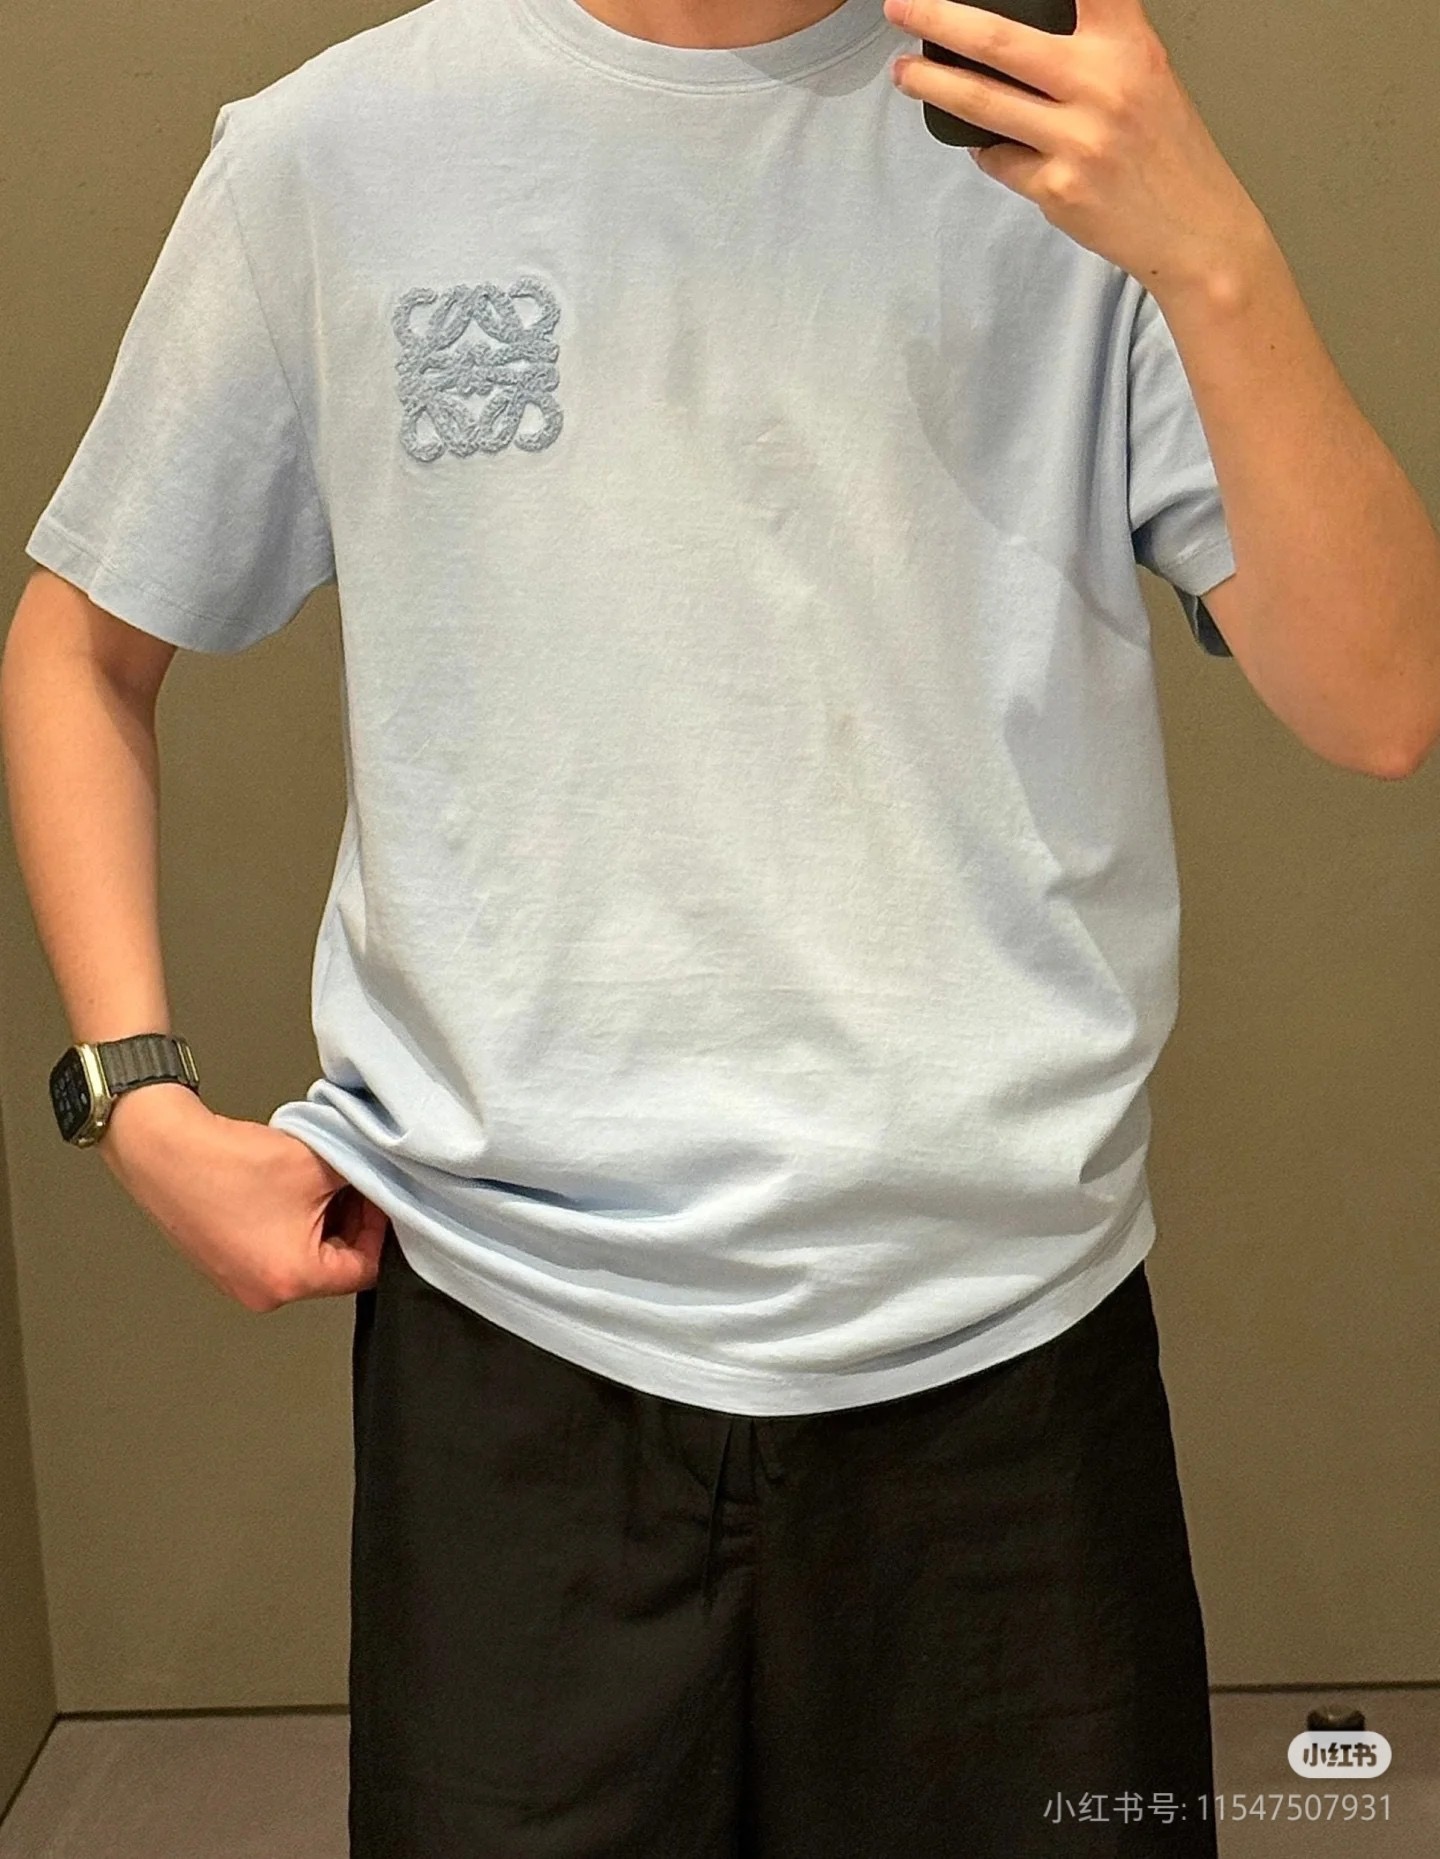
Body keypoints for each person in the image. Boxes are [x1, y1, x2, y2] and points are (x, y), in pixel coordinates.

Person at [4, 0, 1247, 1851]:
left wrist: (1216, 255)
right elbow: (81, 646)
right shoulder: (336, 150)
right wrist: (134, 1099)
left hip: (1005, 1354)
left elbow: (1385, 694)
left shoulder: (1064, 150)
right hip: (514, 1344)